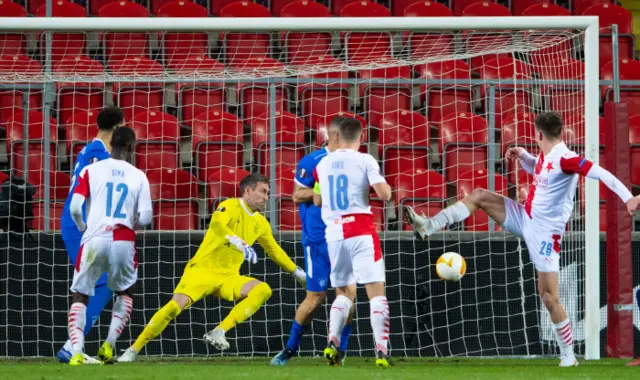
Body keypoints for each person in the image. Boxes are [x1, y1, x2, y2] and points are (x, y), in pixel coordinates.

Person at [405, 112, 640, 367]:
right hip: (524, 217)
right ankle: (428, 225)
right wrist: (524, 157)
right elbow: (539, 174)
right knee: (480, 195)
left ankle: (568, 355)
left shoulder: (566, 159)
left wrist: (628, 198)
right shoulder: (544, 154)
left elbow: (601, 173)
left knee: (548, 296)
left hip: (545, 234)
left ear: (539, 134)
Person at [118, 173, 306, 362]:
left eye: (268, 193)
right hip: (202, 271)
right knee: (174, 308)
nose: (266, 197)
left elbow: (275, 251)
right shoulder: (230, 205)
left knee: (262, 290)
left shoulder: (261, 223)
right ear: (248, 191)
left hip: (229, 277)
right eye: (263, 192)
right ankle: (133, 350)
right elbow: (216, 224)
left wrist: (297, 272)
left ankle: (219, 331)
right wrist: (236, 241)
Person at [271, 116, 354, 366]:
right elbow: (297, 196)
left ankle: (340, 352)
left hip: (345, 236)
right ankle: (290, 348)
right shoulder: (312, 161)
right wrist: (325, 189)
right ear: (335, 137)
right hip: (318, 238)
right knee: (315, 297)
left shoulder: (352, 163)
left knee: (347, 294)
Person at [66, 127, 153, 365]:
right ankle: (109, 344)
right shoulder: (138, 175)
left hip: (93, 237)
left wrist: (83, 225)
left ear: (110, 144)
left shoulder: (90, 170)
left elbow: (75, 206)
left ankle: (76, 352)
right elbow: (145, 218)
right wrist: (130, 223)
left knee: (81, 293)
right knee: (125, 290)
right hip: (123, 238)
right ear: (132, 147)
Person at [312, 118, 393, 368]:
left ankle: (332, 341)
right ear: (361, 136)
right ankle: (381, 349)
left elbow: (316, 200)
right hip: (361, 229)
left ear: (337, 136)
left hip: (334, 234)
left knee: (344, 292)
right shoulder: (365, 159)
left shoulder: (323, 164)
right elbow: (385, 195)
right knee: (375, 292)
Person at [57, 106, 125, 363]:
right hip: (79, 225)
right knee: (102, 282)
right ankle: (71, 348)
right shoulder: (98, 155)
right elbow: (88, 195)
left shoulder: (93, 150)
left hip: (84, 225)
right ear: (118, 128)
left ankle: (72, 347)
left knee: (101, 282)